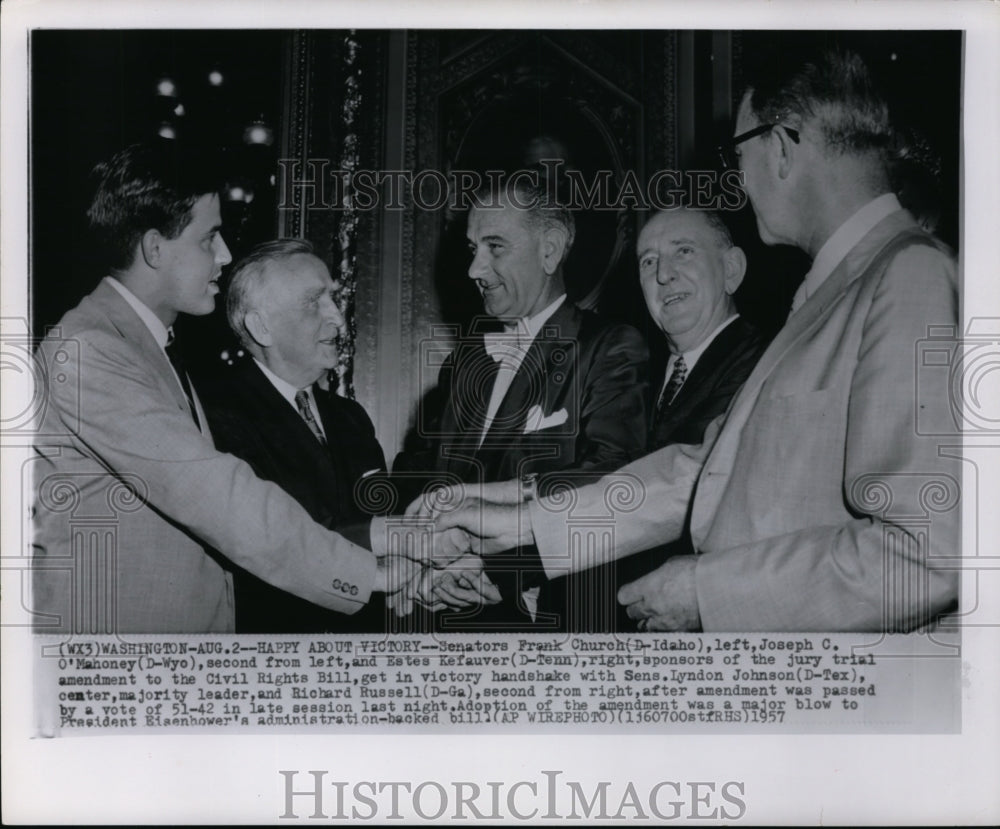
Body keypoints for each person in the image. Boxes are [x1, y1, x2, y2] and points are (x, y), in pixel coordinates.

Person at [433, 49, 960, 632]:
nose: (737, 177)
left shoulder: (911, 275)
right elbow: (706, 470)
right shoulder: (834, 290)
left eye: (738, 154)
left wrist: (707, 591)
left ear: (782, 147)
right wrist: (525, 523)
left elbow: (926, 554)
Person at [31, 141, 448, 634]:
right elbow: (219, 497)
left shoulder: (145, 346)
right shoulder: (90, 351)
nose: (225, 254)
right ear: (154, 247)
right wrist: (374, 574)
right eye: (209, 238)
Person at [397, 172, 649, 631]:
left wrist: (494, 571)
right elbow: (418, 470)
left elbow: (612, 480)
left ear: (549, 250)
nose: (474, 269)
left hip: (546, 624)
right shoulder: (465, 361)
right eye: (473, 250)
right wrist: (421, 563)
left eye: (495, 247)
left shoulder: (608, 347)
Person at [198, 239, 389, 632]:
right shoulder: (213, 416)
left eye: (335, 299)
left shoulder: (351, 418)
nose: (338, 318)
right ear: (260, 326)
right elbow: (283, 543)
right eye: (314, 302)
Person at [606, 207, 768, 630]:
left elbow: (673, 490)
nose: (663, 275)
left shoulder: (763, 364)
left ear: (732, 270)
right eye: (648, 262)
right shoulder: (632, 376)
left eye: (683, 252)